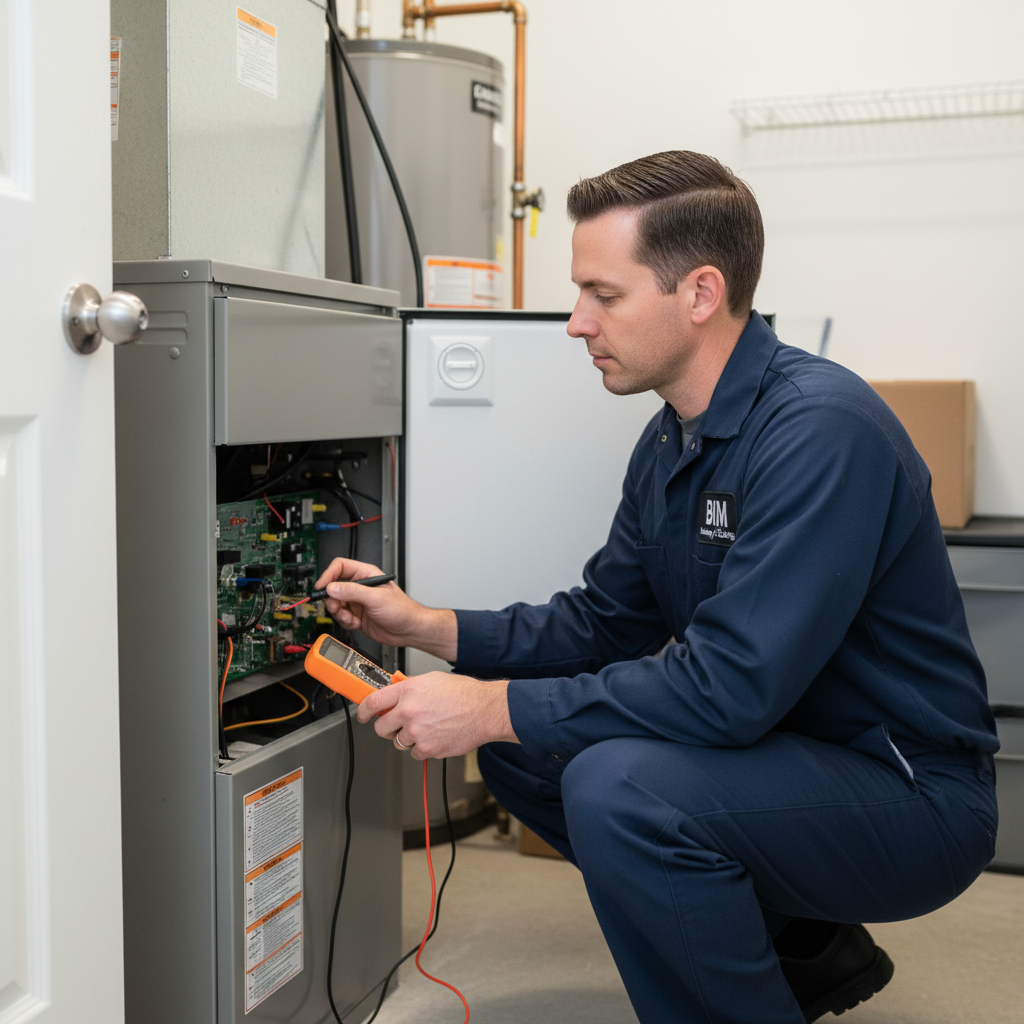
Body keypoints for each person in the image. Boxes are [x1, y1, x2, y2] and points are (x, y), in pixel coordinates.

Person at [315, 150, 999, 1024]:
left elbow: (728, 688)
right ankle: (805, 953)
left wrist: (487, 706)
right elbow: (606, 621)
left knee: (617, 786)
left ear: (701, 294)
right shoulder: (673, 437)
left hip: (909, 795)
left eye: (603, 295)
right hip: (784, 754)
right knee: (529, 753)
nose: (575, 323)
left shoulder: (821, 432)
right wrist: (428, 624)